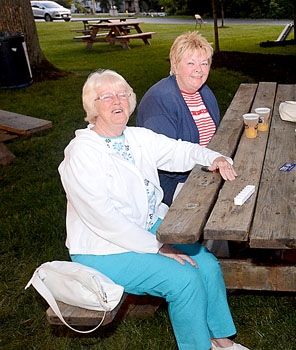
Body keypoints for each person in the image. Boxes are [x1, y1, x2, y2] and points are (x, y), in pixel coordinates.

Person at [58, 69, 249, 350]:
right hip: (103, 247)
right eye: (107, 96)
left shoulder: (136, 138)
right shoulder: (81, 153)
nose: (117, 101)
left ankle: (222, 340)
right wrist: (158, 247)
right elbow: (104, 219)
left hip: (145, 227)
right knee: (183, 279)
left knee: (206, 264)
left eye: (123, 94)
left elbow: (180, 150)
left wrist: (214, 157)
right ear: (92, 106)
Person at [137, 31, 220, 206]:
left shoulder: (204, 92)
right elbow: (166, 160)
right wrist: (208, 164)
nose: (199, 69)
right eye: (191, 63)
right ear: (175, 66)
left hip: (203, 170)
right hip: (171, 184)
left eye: (204, 63)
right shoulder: (160, 101)